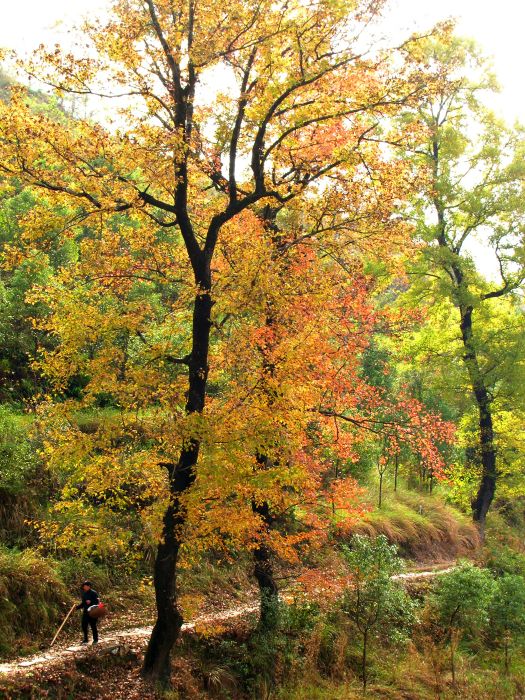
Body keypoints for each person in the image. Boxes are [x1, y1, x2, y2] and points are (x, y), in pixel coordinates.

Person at [76, 580, 100, 644]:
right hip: (86, 612)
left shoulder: (94, 593)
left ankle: (95, 639)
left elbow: (97, 602)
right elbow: (83, 603)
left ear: (89, 586)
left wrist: (91, 602)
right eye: (83, 586)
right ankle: (86, 639)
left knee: (93, 625)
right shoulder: (84, 594)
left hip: (93, 611)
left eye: (85, 586)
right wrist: (77, 607)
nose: (84, 587)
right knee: (84, 625)